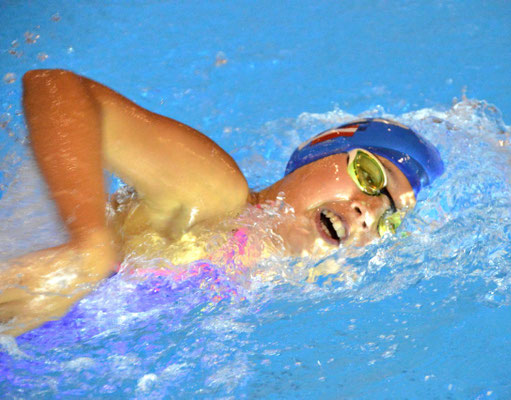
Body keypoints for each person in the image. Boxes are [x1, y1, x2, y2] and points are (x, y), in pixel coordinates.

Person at [0, 69, 443, 336]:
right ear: (321, 150)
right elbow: (56, 87)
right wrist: (89, 246)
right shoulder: (214, 197)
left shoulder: (276, 293)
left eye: (390, 219)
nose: (369, 212)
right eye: (370, 176)